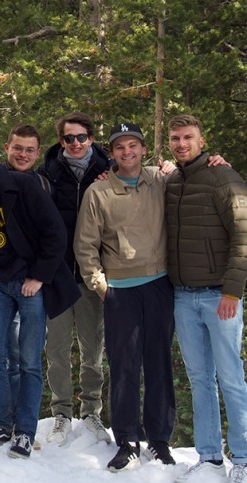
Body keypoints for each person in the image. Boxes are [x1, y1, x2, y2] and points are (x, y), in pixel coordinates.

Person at [0, 130, 79, 459]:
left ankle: (24, 432)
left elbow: (54, 231)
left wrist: (40, 275)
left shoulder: (20, 186)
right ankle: (1, 425)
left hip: (28, 284)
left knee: (29, 361)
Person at [74, 123, 176, 471]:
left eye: (133, 145)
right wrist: (100, 285)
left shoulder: (161, 181)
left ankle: (160, 440)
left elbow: (193, 181)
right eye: (120, 147)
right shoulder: (98, 191)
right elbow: (85, 245)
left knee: (159, 363)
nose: (127, 152)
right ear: (112, 153)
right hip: (120, 290)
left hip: (160, 285)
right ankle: (128, 439)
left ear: (143, 149)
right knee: (124, 366)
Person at [166, 115, 247, 483]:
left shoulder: (223, 177)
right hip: (184, 296)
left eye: (188, 138)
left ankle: (243, 458)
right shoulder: (172, 182)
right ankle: (210, 456)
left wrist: (232, 290)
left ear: (202, 140)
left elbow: (243, 236)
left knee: (231, 378)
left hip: (219, 296)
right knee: (201, 379)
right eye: (175, 138)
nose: (181, 144)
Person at [37, 112, 112, 445]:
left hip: (92, 273)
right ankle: (61, 413)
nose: (76, 143)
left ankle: (91, 411)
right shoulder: (46, 174)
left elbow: (149, 181)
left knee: (93, 349)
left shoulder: (109, 172)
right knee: (56, 350)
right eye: (69, 138)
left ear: (91, 139)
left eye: (82, 137)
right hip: (57, 275)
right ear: (61, 141)